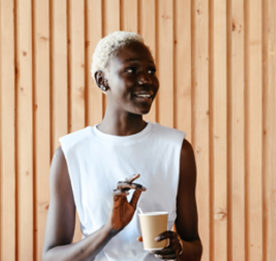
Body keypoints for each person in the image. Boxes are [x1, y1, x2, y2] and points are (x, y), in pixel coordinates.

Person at [42, 31, 202, 261]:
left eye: (150, 71)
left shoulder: (177, 150)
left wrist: (179, 250)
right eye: (132, 70)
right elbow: (51, 257)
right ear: (102, 80)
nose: (146, 79)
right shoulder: (71, 153)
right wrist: (109, 229)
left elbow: (194, 248)